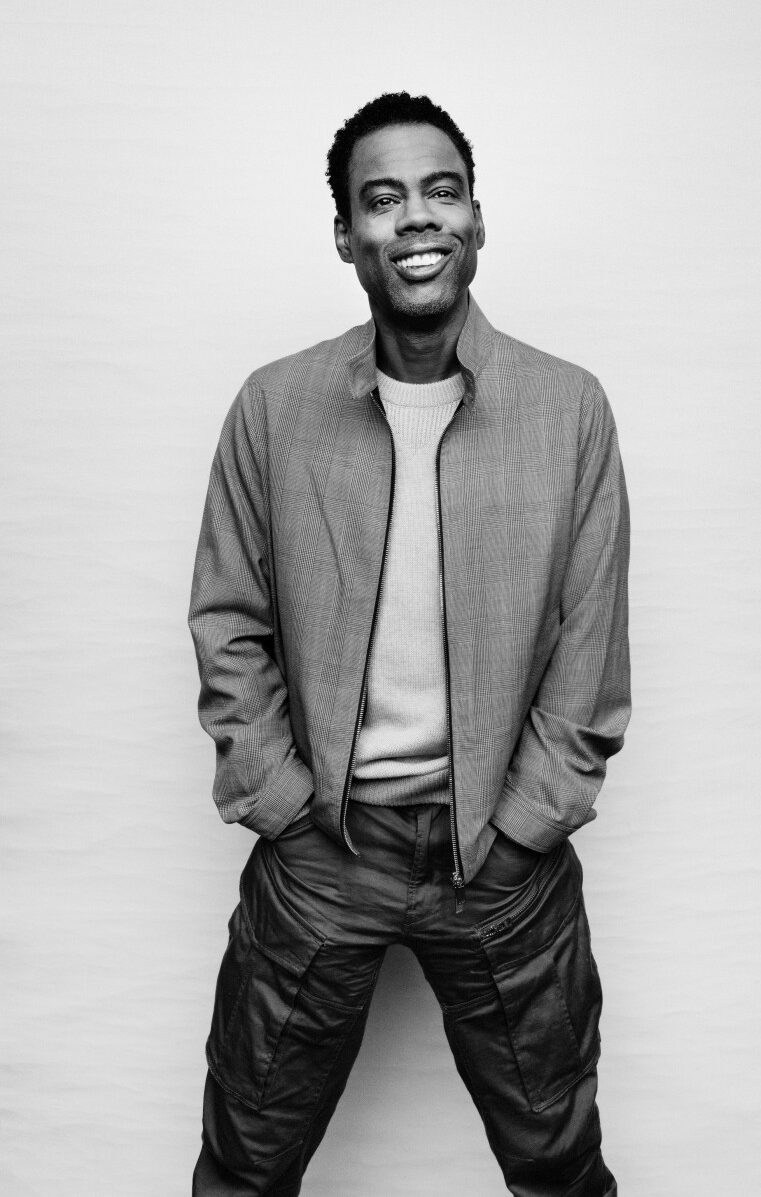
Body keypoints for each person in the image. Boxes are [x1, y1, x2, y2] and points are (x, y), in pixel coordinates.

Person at [188, 91, 630, 1197]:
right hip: (324, 859)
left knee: (558, 1167)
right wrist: (285, 810)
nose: (417, 219)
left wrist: (527, 826)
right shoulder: (275, 408)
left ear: (478, 218)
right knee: (246, 1164)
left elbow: (591, 644)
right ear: (347, 235)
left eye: (442, 191)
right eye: (382, 199)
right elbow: (227, 621)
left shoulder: (566, 410)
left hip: (504, 869)